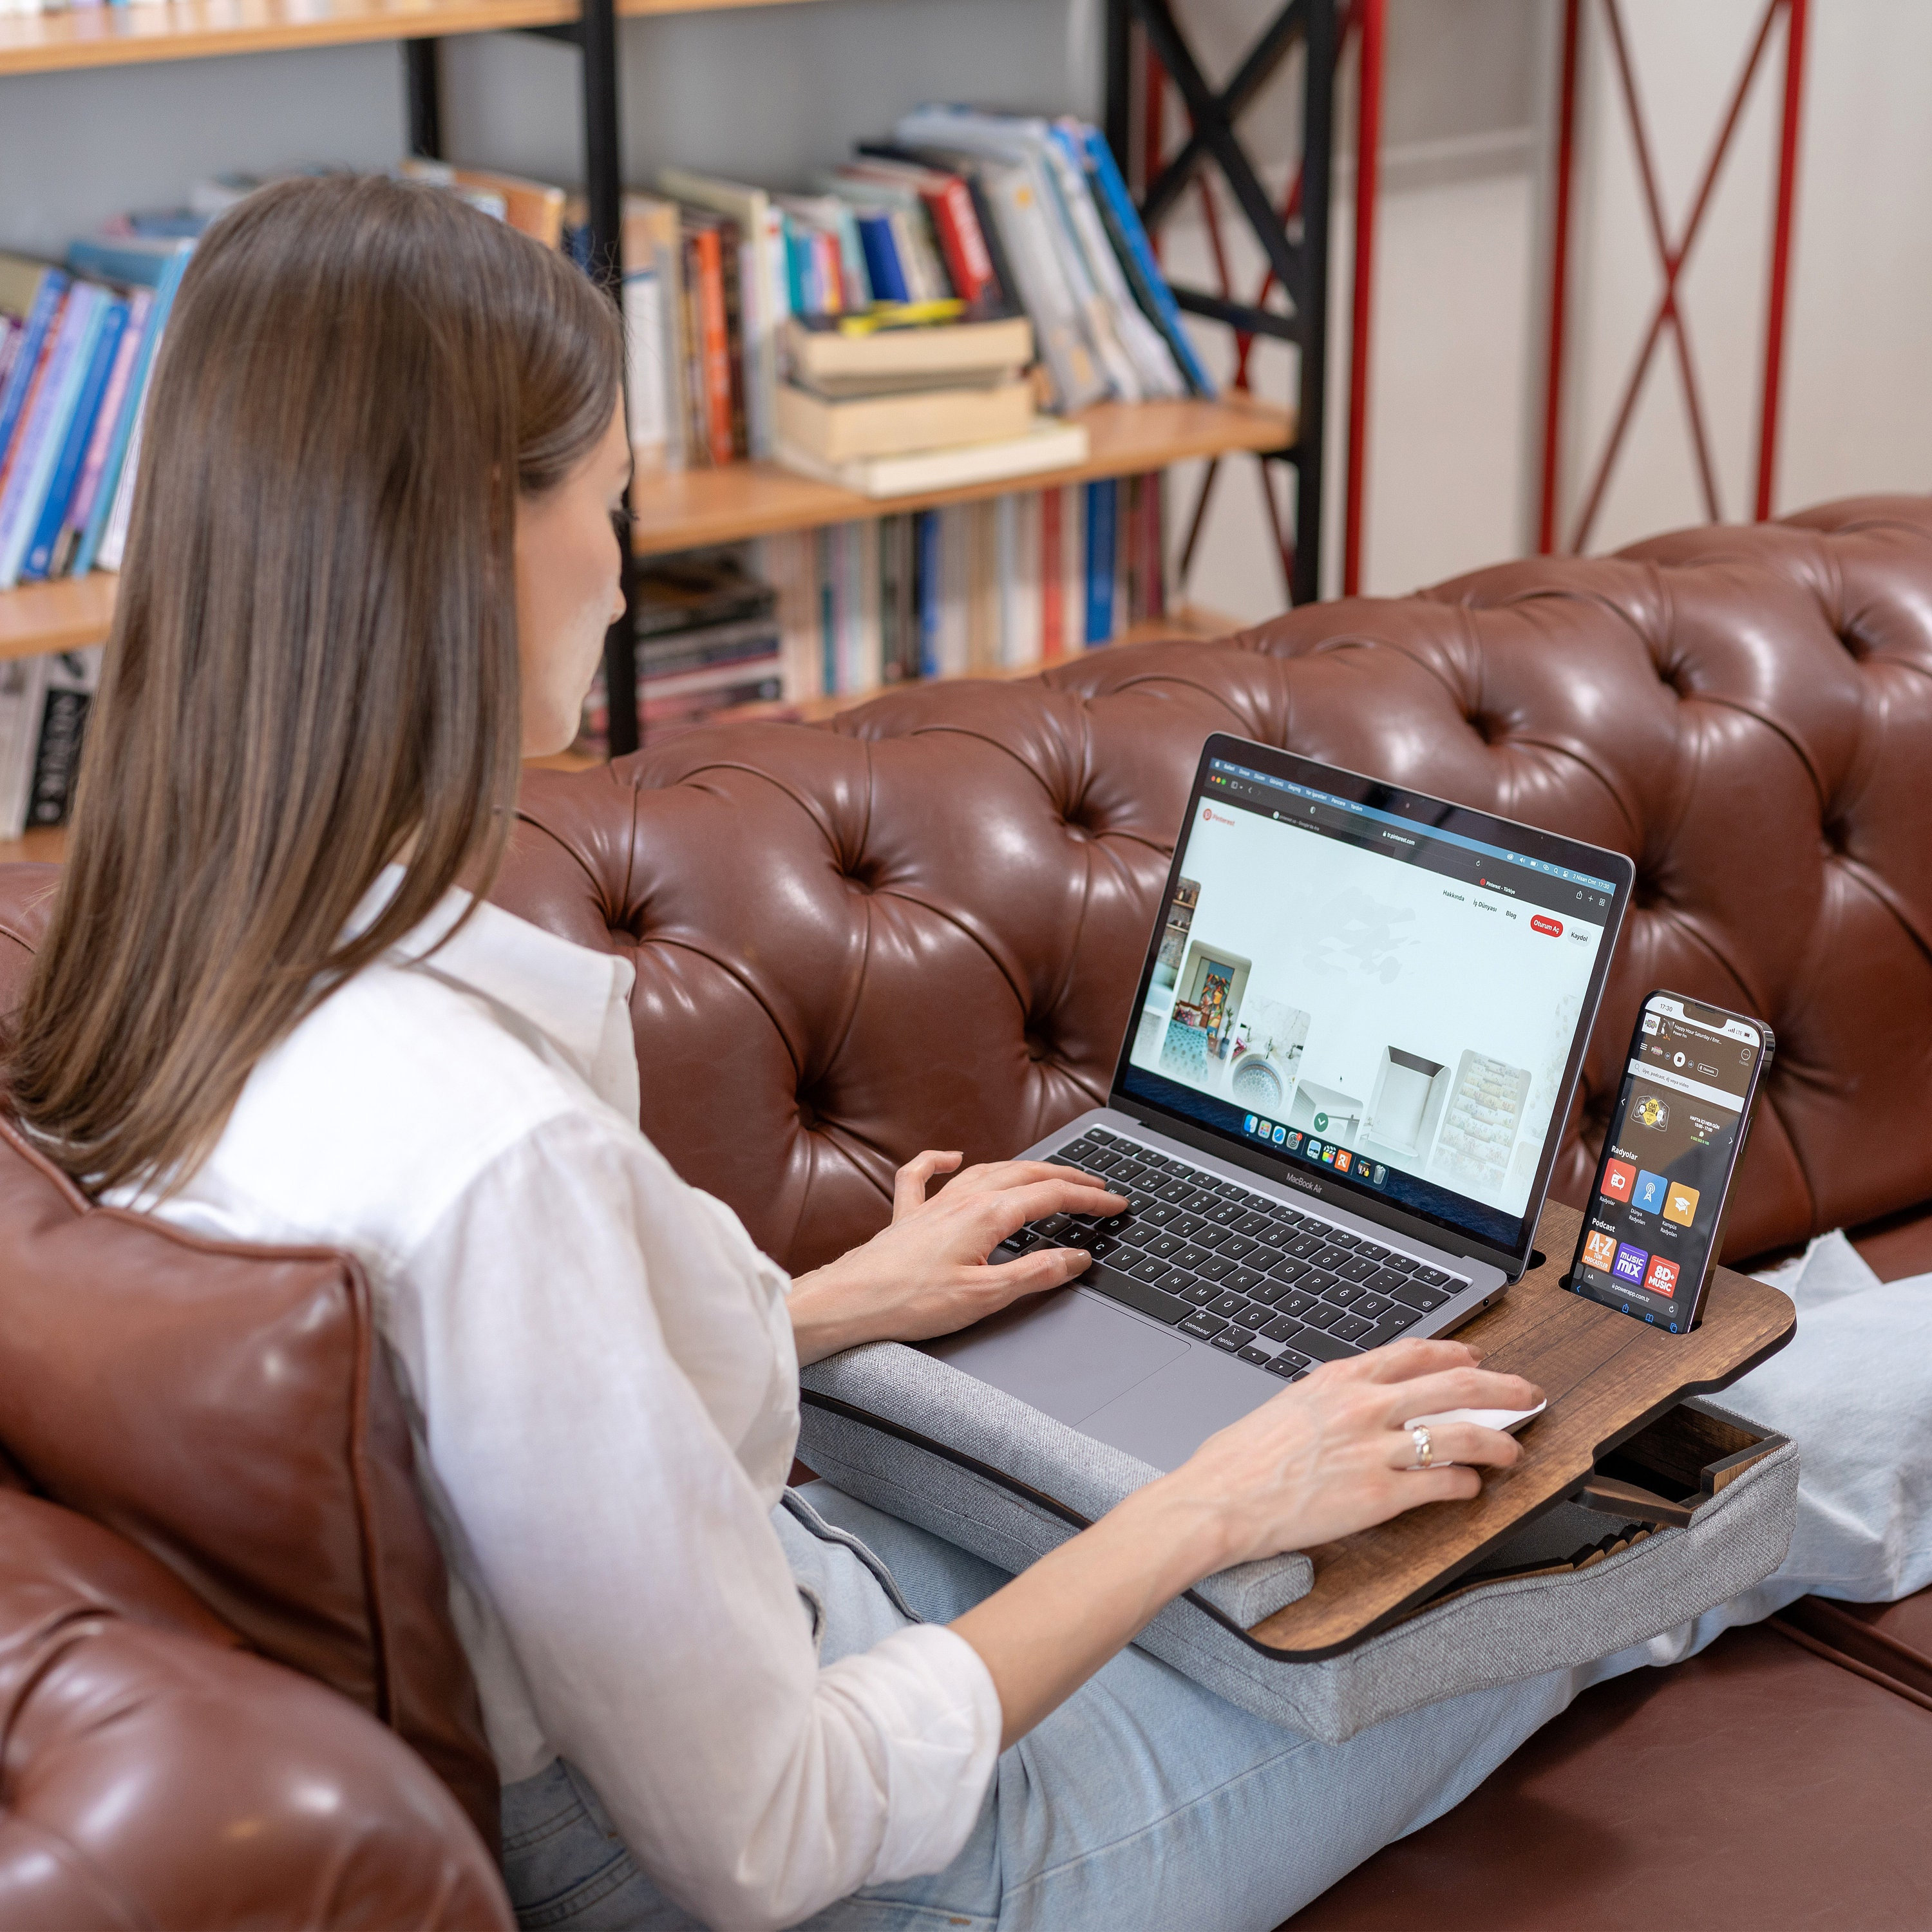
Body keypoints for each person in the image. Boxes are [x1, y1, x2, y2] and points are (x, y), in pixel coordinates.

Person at [6, 176, 1926, 1932]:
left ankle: (1791, 1317)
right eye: (606, 505)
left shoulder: (169, 976)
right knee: (1583, 1545)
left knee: (1531, 1429)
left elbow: (494, 1434)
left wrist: (839, 1303)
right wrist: (1222, 1500)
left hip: (742, 1642)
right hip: (897, 1860)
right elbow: (776, 1831)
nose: (615, 566)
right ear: (464, 555)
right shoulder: (490, 1155)